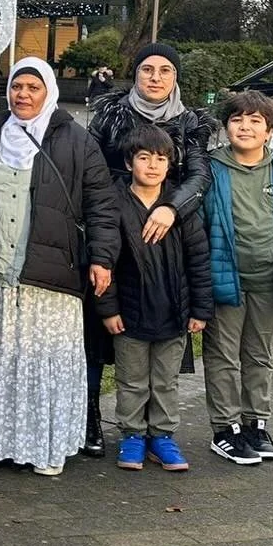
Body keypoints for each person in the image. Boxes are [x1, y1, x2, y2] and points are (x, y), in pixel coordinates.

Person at [0, 57, 118, 476]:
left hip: (52, 273)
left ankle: (47, 448)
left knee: (45, 363)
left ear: (48, 91)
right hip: (1, 271)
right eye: (17, 87)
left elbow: (102, 205)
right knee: (4, 362)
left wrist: (102, 258)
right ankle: (0, 444)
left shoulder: (76, 140)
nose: (23, 95)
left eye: (33, 88)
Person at [83, 42, 215, 456]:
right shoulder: (111, 114)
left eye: (165, 71)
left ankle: (159, 433)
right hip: (113, 227)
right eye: (147, 70)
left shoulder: (190, 123)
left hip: (171, 231)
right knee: (105, 339)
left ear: (176, 78)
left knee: (161, 366)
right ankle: (95, 422)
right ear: (135, 74)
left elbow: (200, 175)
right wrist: (109, 213)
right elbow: (91, 166)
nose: (156, 77)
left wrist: (171, 209)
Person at [202, 90, 273, 466]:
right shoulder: (209, 169)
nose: (246, 127)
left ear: (269, 130)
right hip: (225, 278)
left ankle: (255, 424)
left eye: (255, 121)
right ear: (226, 127)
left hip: (271, 281)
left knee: (259, 355)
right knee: (222, 356)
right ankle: (225, 430)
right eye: (237, 119)